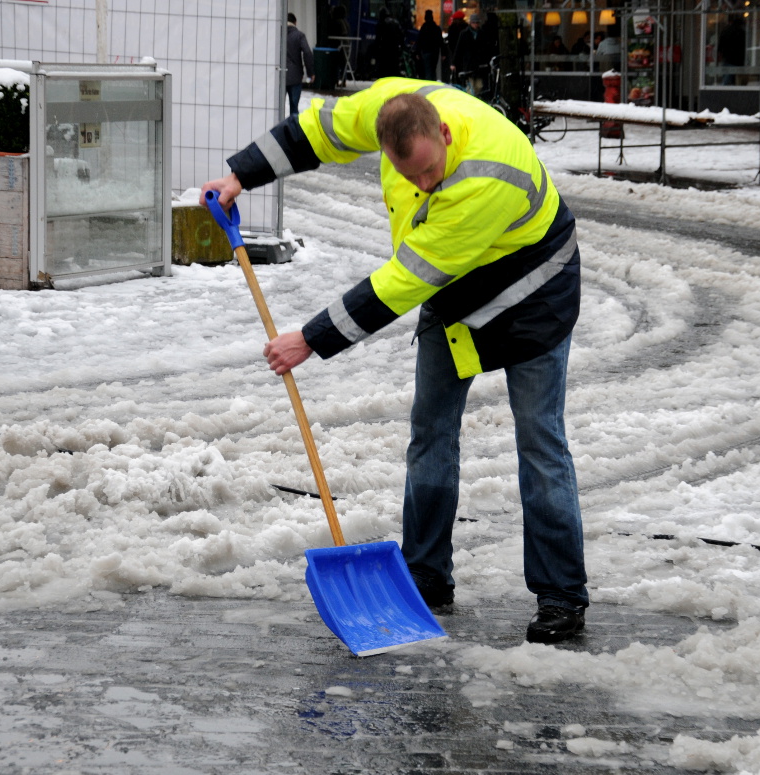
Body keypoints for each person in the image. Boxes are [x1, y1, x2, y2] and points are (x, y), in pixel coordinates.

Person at [201, 79, 589, 645]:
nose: (423, 184)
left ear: (445, 134)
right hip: (453, 292)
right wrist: (242, 176)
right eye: (410, 176)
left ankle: (561, 594)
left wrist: (309, 338)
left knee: (539, 441)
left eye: (430, 171)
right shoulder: (387, 111)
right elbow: (318, 131)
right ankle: (426, 575)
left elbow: (404, 281)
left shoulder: (487, 174)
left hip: (533, 295)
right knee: (430, 430)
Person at [285, 12, 315, 116]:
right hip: (295, 76)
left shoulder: (277, 34)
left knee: (277, 109)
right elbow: (307, 53)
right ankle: (293, 126)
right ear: (295, 22)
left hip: (279, 76)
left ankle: (278, 126)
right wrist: (311, 73)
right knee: (294, 108)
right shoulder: (299, 35)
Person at [415, 9, 447, 82]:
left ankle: (429, 82)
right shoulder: (436, 28)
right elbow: (440, 41)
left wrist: (417, 52)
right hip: (434, 51)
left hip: (426, 51)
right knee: (433, 69)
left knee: (428, 69)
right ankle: (432, 81)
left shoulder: (424, 27)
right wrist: (443, 53)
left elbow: (419, 40)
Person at [372, 7, 404, 78]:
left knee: (383, 72)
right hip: (394, 50)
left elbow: (378, 39)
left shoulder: (381, 24)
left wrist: (375, 50)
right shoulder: (396, 23)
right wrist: (401, 48)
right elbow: (401, 36)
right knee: (394, 72)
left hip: (384, 51)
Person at [716, 14, 745, 85]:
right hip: (737, 59)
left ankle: (725, 87)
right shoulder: (741, 32)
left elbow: (720, 45)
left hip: (727, 57)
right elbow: (742, 46)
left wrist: (720, 54)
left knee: (726, 77)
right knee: (732, 79)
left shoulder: (725, 31)